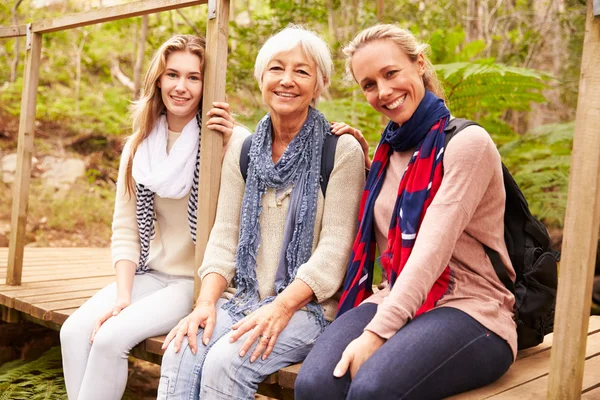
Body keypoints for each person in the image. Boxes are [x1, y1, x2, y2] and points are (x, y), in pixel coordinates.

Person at [295, 24, 516, 400]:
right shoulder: (388, 152)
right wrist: (366, 165)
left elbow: (429, 251)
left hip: (473, 309)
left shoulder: (467, 145)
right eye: (368, 84)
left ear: (420, 64)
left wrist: (376, 333)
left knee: (371, 389)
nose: (383, 92)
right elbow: (390, 215)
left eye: (391, 73)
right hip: (398, 294)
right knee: (314, 385)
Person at [157, 26, 365, 400]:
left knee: (226, 363)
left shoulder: (342, 150)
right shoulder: (245, 150)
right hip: (244, 298)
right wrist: (205, 304)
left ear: (319, 84)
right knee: (180, 349)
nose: (287, 80)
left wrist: (281, 308)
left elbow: (335, 252)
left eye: (301, 71)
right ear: (261, 79)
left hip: (309, 308)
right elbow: (224, 237)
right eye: (276, 69)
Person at [59, 34, 244, 400]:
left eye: (194, 77)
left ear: (207, 84)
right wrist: (123, 295)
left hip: (197, 281)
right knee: (73, 331)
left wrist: (223, 154)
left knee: (110, 339)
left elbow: (238, 219)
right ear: (158, 79)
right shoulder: (139, 145)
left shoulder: (229, 140)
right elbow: (125, 228)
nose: (181, 86)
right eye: (172, 74)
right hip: (150, 274)